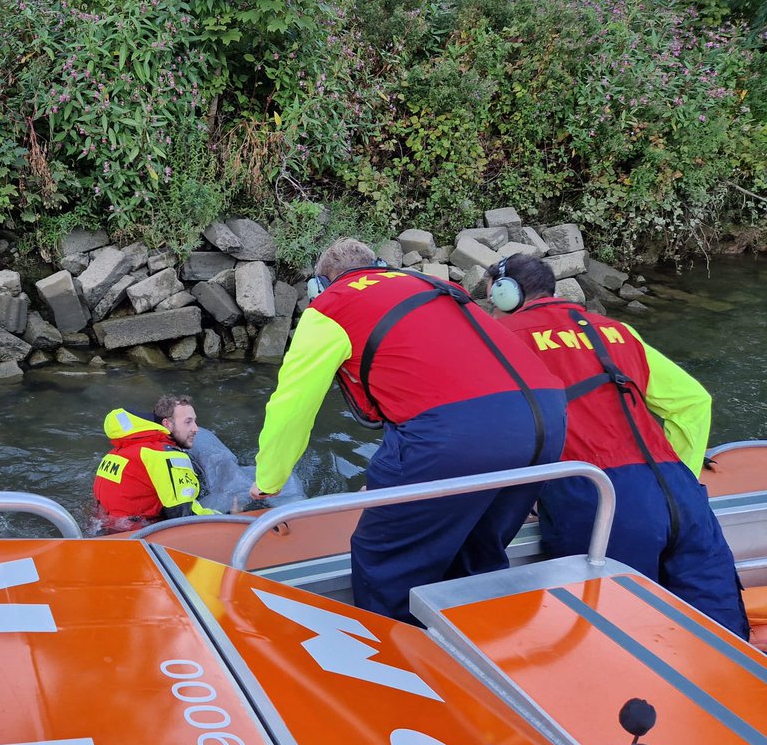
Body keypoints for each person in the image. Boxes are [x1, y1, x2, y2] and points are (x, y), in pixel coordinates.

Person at [250, 238, 568, 623]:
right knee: (479, 552)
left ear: (320, 284)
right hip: (546, 420)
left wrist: (269, 478)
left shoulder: (330, 309)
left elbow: (292, 404)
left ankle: (399, 663)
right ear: (380, 265)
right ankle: (475, 654)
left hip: (456, 434)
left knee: (384, 558)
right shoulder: (428, 285)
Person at [486, 254, 749, 638]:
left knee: (613, 638)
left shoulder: (504, 340)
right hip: (679, 493)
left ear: (508, 295)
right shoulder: (617, 331)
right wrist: (682, 472)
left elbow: (487, 431)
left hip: (598, 496)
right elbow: (694, 402)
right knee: (721, 637)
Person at [93, 393, 216, 532]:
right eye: (188, 422)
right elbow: (183, 515)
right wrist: (228, 516)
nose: (196, 428)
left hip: (102, 528)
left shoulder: (119, 451)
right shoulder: (164, 455)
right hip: (136, 536)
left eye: (195, 421)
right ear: (167, 424)